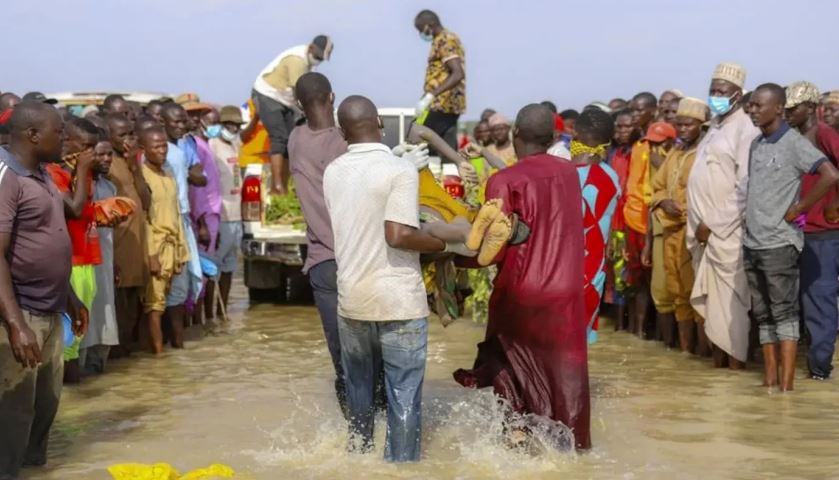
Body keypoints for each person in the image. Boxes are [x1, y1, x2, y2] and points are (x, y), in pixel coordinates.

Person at [454, 104, 590, 451]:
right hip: (567, 293)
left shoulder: (504, 180)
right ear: (554, 137)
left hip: (521, 289)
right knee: (564, 374)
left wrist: (453, 260)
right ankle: (573, 448)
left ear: (515, 135)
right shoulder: (570, 173)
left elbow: (490, 250)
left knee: (509, 368)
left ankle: (517, 441)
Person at [324, 95, 446, 462]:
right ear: (379, 123)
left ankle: (358, 461)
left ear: (343, 132)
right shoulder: (399, 170)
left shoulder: (333, 171)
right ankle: (402, 468)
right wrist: (440, 241)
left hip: (353, 300)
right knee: (404, 395)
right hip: (398, 300)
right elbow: (399, 234)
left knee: (359, 393)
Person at [744, 83, 839, 390]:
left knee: (790, 311)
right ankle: (770, 381)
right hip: (753, 241)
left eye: (759, 105)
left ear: (778, 109)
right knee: (764, 314)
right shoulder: (756, 144)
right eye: (752, 105)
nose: (753, 110)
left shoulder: (799, 142)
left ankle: (788, 386)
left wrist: (800, 208)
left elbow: (831, 175)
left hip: (784, 241)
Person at [0, 101, 72, 479]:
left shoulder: (44, 174)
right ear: (32, 134)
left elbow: (53, 237)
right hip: (21, 310)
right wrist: (15, 324)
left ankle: (35, 469)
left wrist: (71, 297)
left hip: (52, 307)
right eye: (58, 132)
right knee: (14, 409)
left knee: (47, 402)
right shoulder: (6, 177)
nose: (63, 138)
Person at [687, 63, 760, 369]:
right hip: (702, 236)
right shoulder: (714, 127)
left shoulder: (746, 130)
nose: (716, 96)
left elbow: (744, 188)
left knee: (730, 309)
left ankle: (735, 371)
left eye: (722, 91)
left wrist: (712, 224)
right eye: (712, 90)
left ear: (737, 95)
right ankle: (719, 376)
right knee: (713, 313)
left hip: (725, 235)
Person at [287, 73, 349, 413]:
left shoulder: (295, 139)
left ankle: (355, 440)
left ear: (299, 104)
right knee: (374, 358)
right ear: (333, 96)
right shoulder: (345, 144)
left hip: (323, 264)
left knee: (342, 363)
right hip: (358, 260)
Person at [785, 81, 839, 380]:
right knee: (811, 303)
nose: (789, 113)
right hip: (803, 232)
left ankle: (820, 372)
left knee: (820, 302)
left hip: (824, 233)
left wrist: (835, 204)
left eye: (794, 109)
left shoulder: (823, 134)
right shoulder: (793, 138)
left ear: (811, 108)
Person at [650, 97, 709, 354]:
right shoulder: (676, 151)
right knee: (677, 290)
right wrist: (664, 202)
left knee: (697, 292)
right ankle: (685, 353)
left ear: (701, 125)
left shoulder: (706, 153)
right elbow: (657, 186)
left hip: (694, 231)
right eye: (680, 125)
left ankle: (703, 352)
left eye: (688, 125)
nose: (683, 129)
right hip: (671, 229)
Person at [45, 117, 102, 383]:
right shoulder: (54, 174)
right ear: (68, 143)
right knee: (67, 340)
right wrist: (82, 170)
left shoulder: (78, 172)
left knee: (78, 335)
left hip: (87, 260)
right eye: (87, 146)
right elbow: (74, 209)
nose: (91, 153)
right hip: (71, 263)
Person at [252, 34, 333, 196]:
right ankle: (276, 187)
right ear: (311, 48)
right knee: (279, 138)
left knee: (291, 141)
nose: (318, 60)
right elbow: (299, 92)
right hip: (268, 95)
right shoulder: (298, 61)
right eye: (317, 56)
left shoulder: (308, 63)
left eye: (321, 59)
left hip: (284, 100)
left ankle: (285, 186)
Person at [571, 108, 620, 344]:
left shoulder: (559, 175)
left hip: (557, 270)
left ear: (575, 134)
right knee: (579, 342)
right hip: (593, 270)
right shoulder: (612, 177)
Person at [140, 126, 190, 355]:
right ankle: (158, 355)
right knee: (155, 306)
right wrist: (151, 256)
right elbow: (145, 221)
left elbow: (176, 214)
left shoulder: (168, 175)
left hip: (173, 246)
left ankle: (173, 348)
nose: (162, 151)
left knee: (175, 299)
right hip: (156, 248)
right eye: (156, 146)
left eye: (164, 146)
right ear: (144, 149)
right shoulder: (143, 177)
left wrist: (181, 251)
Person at [105, 114, 150, 357]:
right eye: (121, 135)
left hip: (137, 245)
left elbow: (146, 201)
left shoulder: (132, 161)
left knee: (133, 309)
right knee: (118, 310)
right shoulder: (107, 163)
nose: (128, 140)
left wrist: (135, 168)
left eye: (130, 134)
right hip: (118, 246)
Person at [160, 103, 204, 348]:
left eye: (181, 121)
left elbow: (198, 175)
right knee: (172, 281)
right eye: (174, 122)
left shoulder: (183, 147)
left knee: (186, 280)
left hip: (183, 218)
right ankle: (173, 341)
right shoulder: (157, 150)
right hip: (167, 221)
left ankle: (176, 343)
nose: (179, 126)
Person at [79, 137, 121, 374]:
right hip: (83, 263)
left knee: (105, 315)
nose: (106, 159)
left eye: (109, 155)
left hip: (105, 261)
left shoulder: (109, 187)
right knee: (86, 319)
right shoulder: (77, 185)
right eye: (100, 154)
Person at [623, 91, 658, 338]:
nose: (635, 114)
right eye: (633, 110)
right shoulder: (637, 144)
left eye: (639, 110)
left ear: (652, 110)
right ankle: (636, 333)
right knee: (635, 281)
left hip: (648, 222)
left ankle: (647, 332)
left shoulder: (655, 146)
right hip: (631, 219)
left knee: (650, 281)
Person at [640, 122, 678, 345]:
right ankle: (667, 347)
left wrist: (661, 163)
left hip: (676, 230)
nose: (653, 149)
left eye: (658, 143)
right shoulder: (652, 164)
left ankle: (680, 347)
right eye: (651, 144)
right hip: (657, 233)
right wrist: (647, 242)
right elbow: (651, 202)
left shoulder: (675, 160)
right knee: (660, 293)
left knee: (678, 294)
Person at [208, 105, 245, 321]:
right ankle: (209, 313)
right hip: (220, 216)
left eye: (236, 126)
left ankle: (222, 313)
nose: (233, 128)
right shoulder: (213, 146)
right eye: (229, 125)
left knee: (230, 267)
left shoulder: (234, 145)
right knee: (214, 268)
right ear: (222, 125)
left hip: (236, 216)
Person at [413, 9, 466, 151]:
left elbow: (457, 73)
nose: (421, 34)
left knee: (420, 140)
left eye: (421, 29)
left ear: (429, 24)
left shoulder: (446, 39)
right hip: (439, 104)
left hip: (444, 104)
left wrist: (431, 95)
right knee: (442, 147)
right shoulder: (438, 40)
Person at [603, 109, 635, 330]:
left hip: (630, 223)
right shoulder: (613, 154)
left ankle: (630, 327)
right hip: (613, 223)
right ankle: (619, 328)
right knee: (615, 278)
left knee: (629, 277)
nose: (622, 131)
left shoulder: (638, 152)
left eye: (627, 127)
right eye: (619, 127)